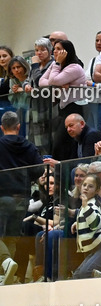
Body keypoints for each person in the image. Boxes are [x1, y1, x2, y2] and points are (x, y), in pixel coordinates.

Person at [0, 110, 44, 284]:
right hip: (22, 198)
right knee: (11, 237)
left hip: (2, 196)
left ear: (1, 127)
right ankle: (6, 274)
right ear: (18, 127)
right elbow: (40, 170)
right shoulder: (29, 145)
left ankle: (6, 263)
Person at [70, 174, 101, 279]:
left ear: (97, 191)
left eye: (90, 186)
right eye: (84, 185)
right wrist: (77, 223)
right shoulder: (86, 205)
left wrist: (85, 206)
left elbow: (95, 224)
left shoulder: (92, 204)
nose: (86, 187)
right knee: (77, 276)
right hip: (95, 247)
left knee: (83, 275)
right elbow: (86, 217)